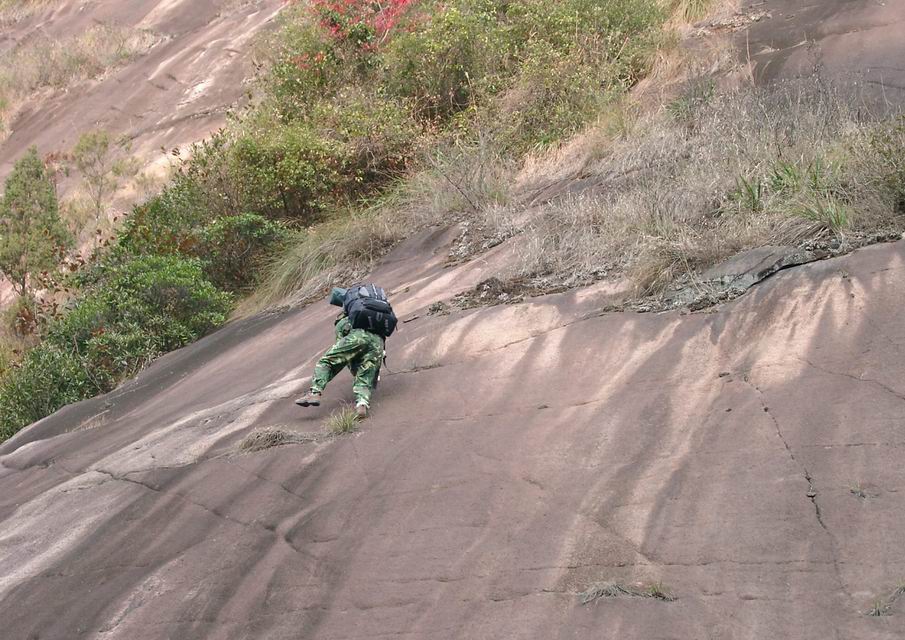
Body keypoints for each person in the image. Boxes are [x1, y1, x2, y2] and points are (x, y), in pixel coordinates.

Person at [295, 286, 393, 418]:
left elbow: (342, 351)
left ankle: (315, 393)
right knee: (364, 377)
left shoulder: (347, 318)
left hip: (358, 337)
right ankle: (362, 405)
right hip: (378, 343)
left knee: (327, 361)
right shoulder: (376, 317)